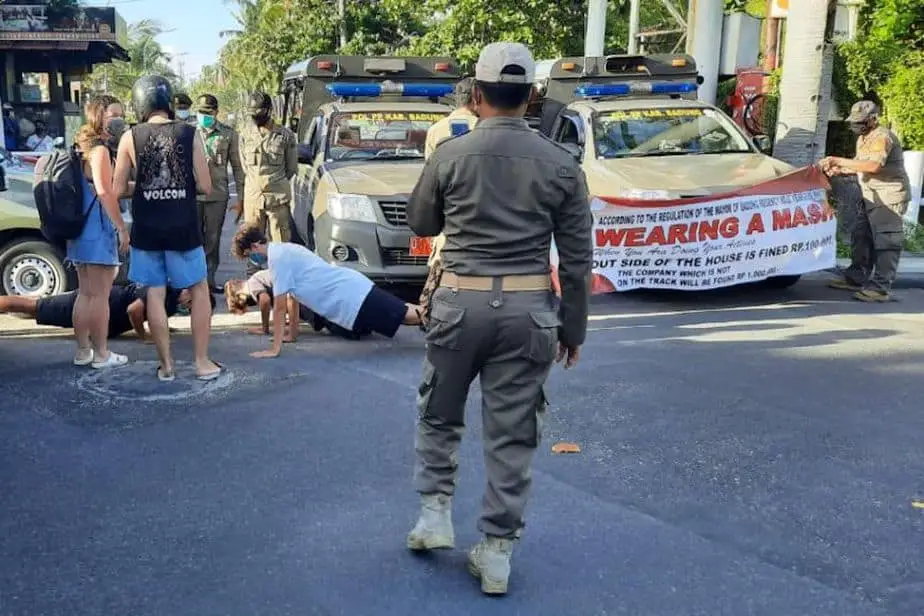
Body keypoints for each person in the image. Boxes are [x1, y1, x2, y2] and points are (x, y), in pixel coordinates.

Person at [403, 42, 593, 596]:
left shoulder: (450, 154)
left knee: (439, 412)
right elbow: (578, 261)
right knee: (513, 433)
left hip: (457, 305)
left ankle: (435, 515)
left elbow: (420, 219)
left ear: (477, 94)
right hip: (528, 312)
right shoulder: (562, 164)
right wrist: (573, 329)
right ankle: (497, 553)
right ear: (532, 96)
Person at [112, 75, 222, 382]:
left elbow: (118, 188)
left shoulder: (129, 137)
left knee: (155, 295)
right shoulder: (190, 134)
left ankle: (167, 365)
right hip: (183, 229)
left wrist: (145, 186)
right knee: (199, 291)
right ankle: (201, 363)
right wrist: (179, 185)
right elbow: (205, 185)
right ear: (167, 101)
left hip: (147, 231)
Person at [229, 222, 424, 358]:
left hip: (352, 297)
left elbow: (279, 307)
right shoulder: (281, 252)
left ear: (255, 246)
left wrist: (274, 348)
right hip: (349, 295)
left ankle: (447, 320)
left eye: (249, 255)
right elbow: (291, 299)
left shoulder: (278, 259)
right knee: (403, 313)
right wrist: (291, 334)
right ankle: (444, 321)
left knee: (406, 315)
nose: (252, 260)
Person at [821, 100, 912, 302]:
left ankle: (881, 288)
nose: (856, 125)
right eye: (854, 121)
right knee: (861, 234)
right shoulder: (863, 138)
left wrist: (839, 160)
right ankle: (856, 276)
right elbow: (860, 163)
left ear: (873, 119)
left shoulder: (882, 137)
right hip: (868, 193)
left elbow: (873, 165)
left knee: (886, 241)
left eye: (860, 121)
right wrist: (842, 170)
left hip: (888, 196)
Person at [68, 94, 131, 369]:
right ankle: (102, 353)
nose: (118, 120)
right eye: (113, 115)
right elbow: (106, 192)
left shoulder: (82, 145)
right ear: (99, 117)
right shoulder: (101, 150)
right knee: (100, 295)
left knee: (85, 293)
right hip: (97, 228)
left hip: (79, 229)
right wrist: (121, 228)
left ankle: (84, 351)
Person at [419, 78, 479, 316]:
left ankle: (434, 313)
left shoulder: (436, 130)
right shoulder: (486, 128)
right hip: (479, 216)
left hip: (448, 217)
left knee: (441, 269)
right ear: (477, 98)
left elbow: (429, 178)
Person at [0, 284, 191, 341]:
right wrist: (143, 336)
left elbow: (149, 312)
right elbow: (134, 310)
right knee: (32, 306)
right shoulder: (168, 291)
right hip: (96, 305)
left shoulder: (173, 300)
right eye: (190, 303)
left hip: (103, 315)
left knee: (37, 311)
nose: (188, 308)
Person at [239, 91, 296, 276]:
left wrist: (273, 182)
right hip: (254, 198)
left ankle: (281, 280)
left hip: (277, 198)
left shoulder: (285, 136)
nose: (255, 117)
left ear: (269, 111)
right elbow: (245, 166)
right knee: (253, 243)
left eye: (259, 113)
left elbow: (291, 168)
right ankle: (254, 281)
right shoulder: (245, 135)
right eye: (252, 114)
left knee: (280, 243)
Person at [194, 93, 246, 294]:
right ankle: (193, 282)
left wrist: (241, 197)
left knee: (212, 239)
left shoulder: (228, 134)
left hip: (218, 194)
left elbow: (238, 168)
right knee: (193, 238)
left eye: (208, 113)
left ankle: (208, 280)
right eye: (201, 112)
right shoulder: (189, 132)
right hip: (194, 195)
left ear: (216, 113)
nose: (204, 116)